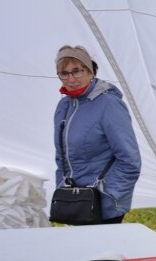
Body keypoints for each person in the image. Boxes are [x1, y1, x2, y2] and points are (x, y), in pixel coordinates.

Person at [53, 45, 141, 224]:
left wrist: (110, 194)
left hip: (103, 204)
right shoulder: (63, 107)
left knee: (103, 252)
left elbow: (130, 160)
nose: (71, 78)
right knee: (83, 251)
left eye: (77, 71)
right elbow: (60, 157)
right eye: (64, 73)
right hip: (76, 201)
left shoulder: (108, 104)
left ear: (90, 70)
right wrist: (63, 188)